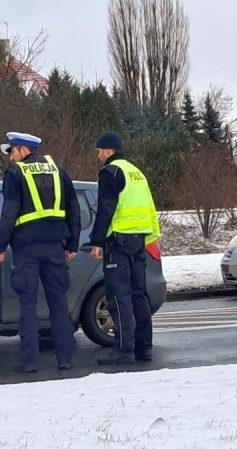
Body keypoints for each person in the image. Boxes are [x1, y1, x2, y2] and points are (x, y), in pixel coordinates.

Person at [0, 132, 81, 373]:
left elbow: (8, 213)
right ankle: (65, 359)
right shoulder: (59, 171)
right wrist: (72, 245)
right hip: (55, 247)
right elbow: (74, 210)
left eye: (12, 151)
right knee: (59, 304)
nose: (10, 158)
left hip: (27, 250)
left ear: (23, 150)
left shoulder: (15, 174)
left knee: (28, 306)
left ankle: (29, 362)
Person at [89, 131, 160, 365]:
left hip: (118, 242)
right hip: (139, 239)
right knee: (139, 294)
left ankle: (123, 349)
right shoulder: (135, 172)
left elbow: (105, 209)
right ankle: (144, 349)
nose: (98, 156)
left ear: (108, 150)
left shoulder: (111, 172)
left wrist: (97, 240)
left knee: (118, 297)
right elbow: (149, 207)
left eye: (98, 152)